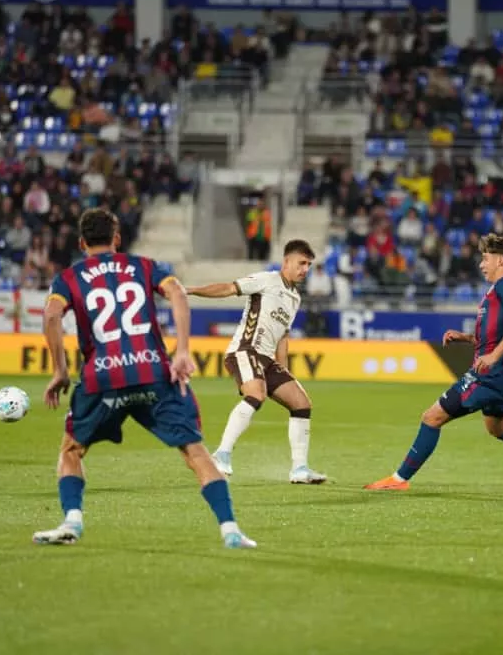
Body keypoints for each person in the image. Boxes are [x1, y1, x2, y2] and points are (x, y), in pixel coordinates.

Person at [33, 208, 256, 549]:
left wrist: (60, 371)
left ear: (81, 243)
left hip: (101, 377)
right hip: (153, 371)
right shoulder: (143, 266)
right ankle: (230, 530)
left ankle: (72, 523)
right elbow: (178, 293)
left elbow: (51, 315)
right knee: (194, 451)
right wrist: (182, 351)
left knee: (72, 449)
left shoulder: (69, 278)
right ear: (117, 239)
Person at [364, 233, 503, 492]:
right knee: (498, 429)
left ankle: (398, 479)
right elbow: (491, 337)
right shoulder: (495, 292)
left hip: (489, 374)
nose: (481, 264)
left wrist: (494, 356)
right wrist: (466, 338)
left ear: (499, 261)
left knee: (432, 417)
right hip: (501, 376)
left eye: (485, 259)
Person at [186, 239, 327, 484]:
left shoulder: (295, 297)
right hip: (245, 350)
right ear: (286, 261)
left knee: (301, 403)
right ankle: (221, 455)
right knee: (256, 394)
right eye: (301, 263)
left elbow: (283, 334)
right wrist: (190, 290)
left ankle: (300, 469)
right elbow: (228, 288)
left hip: (267, 359)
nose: (305, 269)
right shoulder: (267, 280)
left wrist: (283, 366)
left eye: (309, 265)